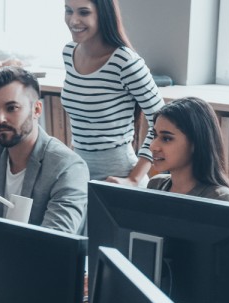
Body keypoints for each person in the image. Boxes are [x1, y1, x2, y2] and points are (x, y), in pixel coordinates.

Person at [0, 66, 89, 234]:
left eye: (11, 108)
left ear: (36, 110)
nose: (0, 119)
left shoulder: (68, 168)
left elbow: (55, 242)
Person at [61, 0, 164, 185]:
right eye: (69, 11)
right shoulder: (69, 53)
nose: (73, 20)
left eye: (84, 12)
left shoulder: (125, 61)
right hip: (78, 172)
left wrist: (133, 179)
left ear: (103, 14)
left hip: (119, 175)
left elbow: (162, 122)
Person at [147, 96, 229, 202]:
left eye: (167, 138)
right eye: (155, 135)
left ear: (195, 142)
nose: (153, 146)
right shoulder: (155, 185)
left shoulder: (219, 197)